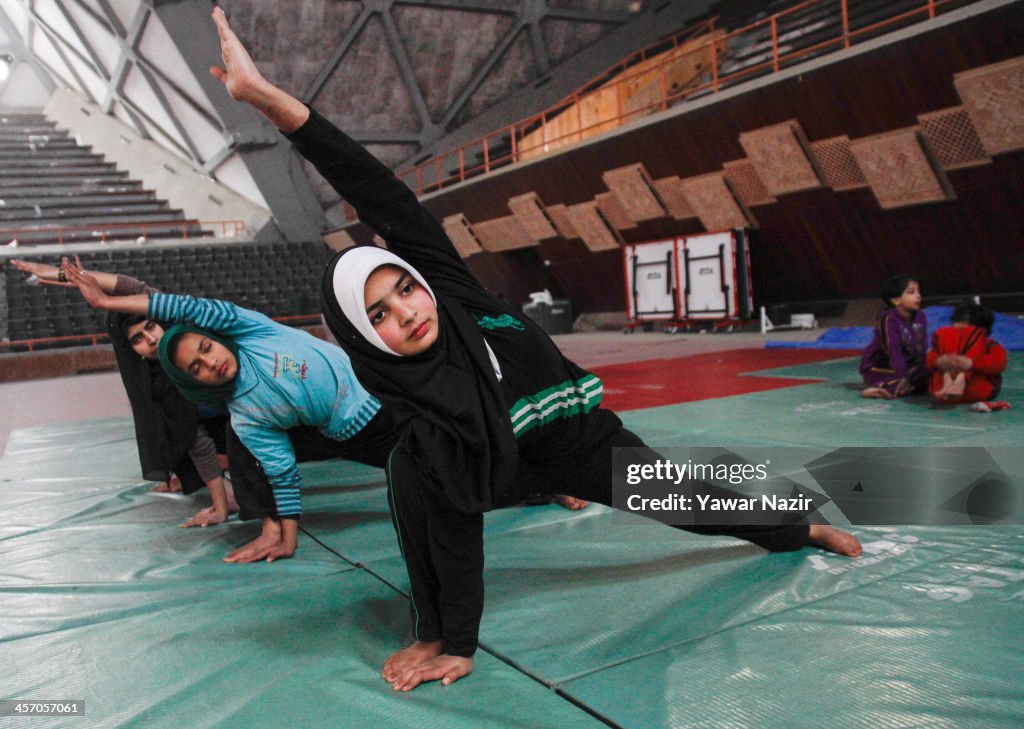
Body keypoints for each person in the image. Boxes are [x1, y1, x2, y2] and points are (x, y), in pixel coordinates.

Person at [207, 6, 863, 692]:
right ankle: (429, 622)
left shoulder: (452, 291)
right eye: (380, 314)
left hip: (572, 438)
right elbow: (458, 535)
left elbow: (377, 189)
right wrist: (456, 641)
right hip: (498, 467)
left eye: (404, 288)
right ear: (366, 337)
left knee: (681, 495)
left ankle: (794, 528)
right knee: (413, 480)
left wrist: (269, 102)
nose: (407, 310)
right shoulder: (423, 409)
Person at [60, 259, 400, 563]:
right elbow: (281, 473)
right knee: (242, 438)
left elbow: (180, 305)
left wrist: (104, 299)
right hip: (353, 435)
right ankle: (268, 526)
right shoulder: (246, 415)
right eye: (198, 367)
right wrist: (286, 539)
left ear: (215, 336)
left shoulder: (252, 330)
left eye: (208, 348)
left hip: (388, 398)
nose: (211, 362)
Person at [11, 257, 238, 527]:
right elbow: (192, 438)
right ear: (129, 349)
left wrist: (66, 275)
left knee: (247, 485)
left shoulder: (180, 321)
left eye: (150, 327)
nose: (151, 340)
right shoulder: (156, 379)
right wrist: (216, 500)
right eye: (138, 340)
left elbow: (132, 287)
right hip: (221, 419)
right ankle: (203, 476)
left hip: (257, 409)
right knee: (174, 427)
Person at [928, 302, 1009, 410]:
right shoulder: (947, 343)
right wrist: (940, 361)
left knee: (966, 358)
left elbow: (998, 363)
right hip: (944, 388)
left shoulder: (989, 345)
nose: (959, 335)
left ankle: (960, 382)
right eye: (955, 330)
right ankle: (950, 382)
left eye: (965, 332)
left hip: (977, 388)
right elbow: (930, 358)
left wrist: (971, 363)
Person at [859, 274, 929, 399]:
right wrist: (903, 377)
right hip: (880, 368)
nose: (918, 295)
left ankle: (905, 387)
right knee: (912, 379)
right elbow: (893, 352)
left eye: (919, 291)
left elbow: (923, 347)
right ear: (896, 300)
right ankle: (883, 387)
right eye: (911, 292)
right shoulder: (888, 319)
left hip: (909, 367)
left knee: (933, 371)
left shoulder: (920, 316)